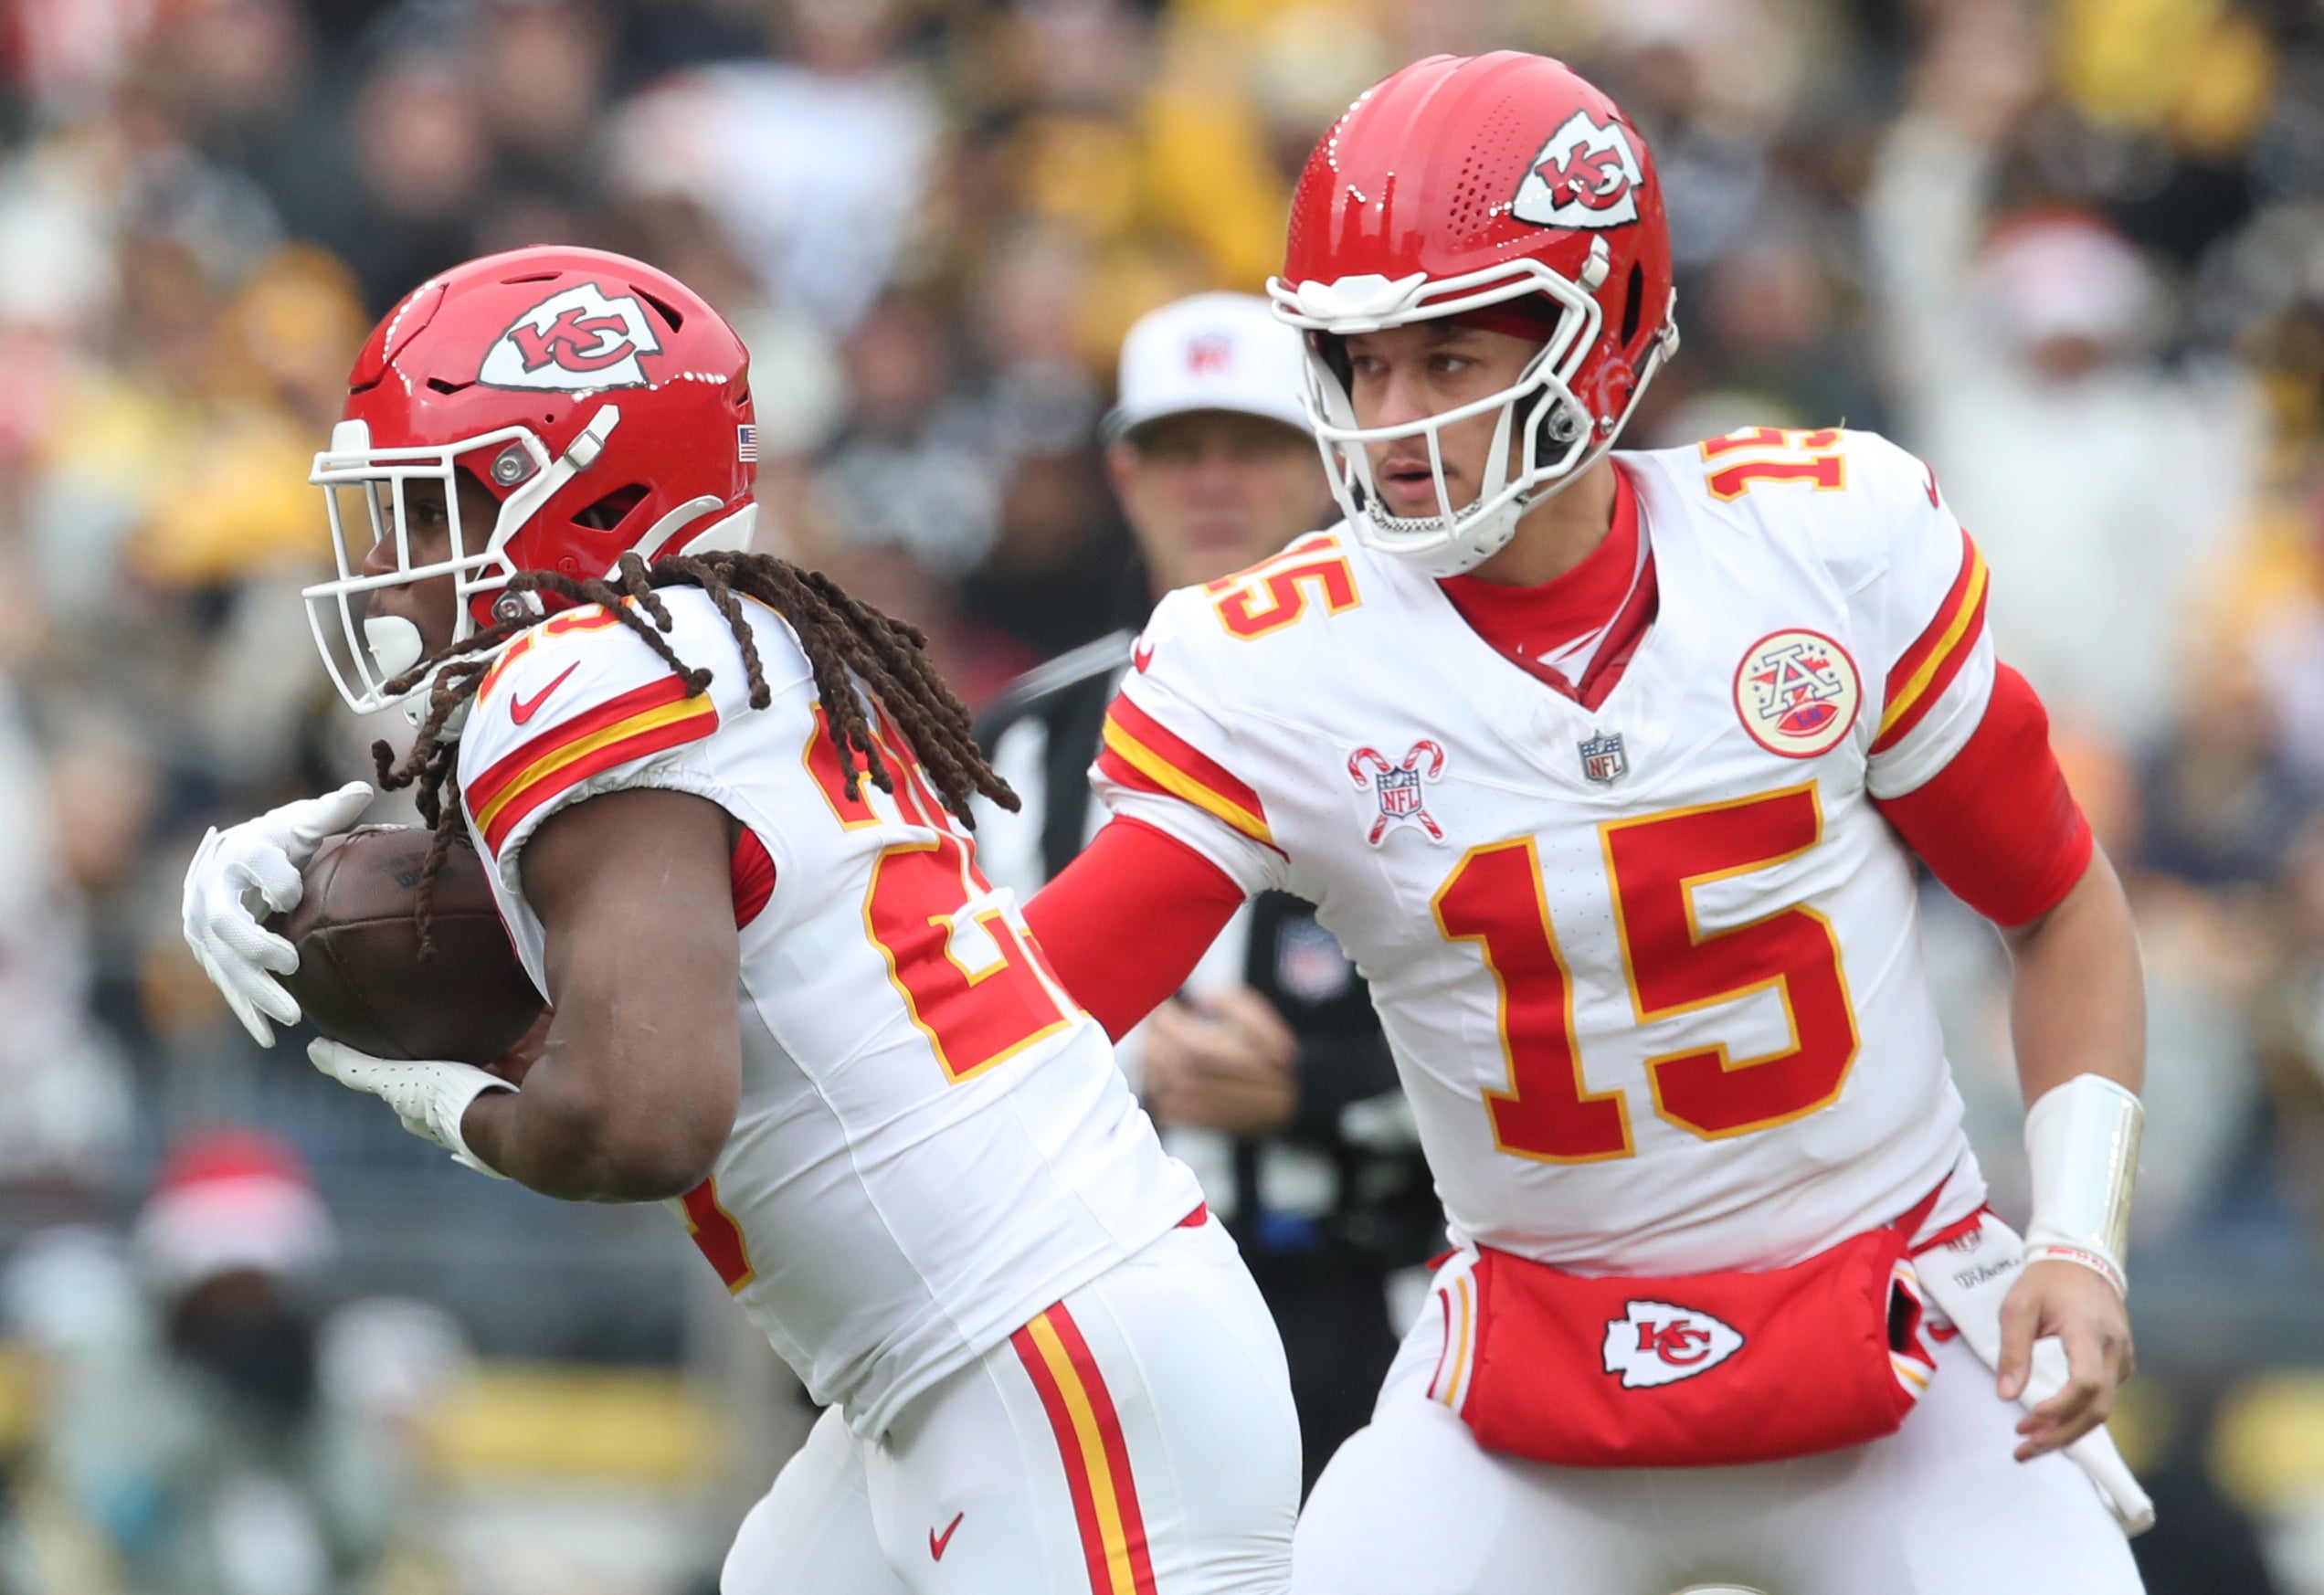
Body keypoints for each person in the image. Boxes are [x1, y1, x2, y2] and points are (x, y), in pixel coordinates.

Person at [1021, 53, 2152, 1595]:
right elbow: (1036, 1011)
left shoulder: (1822, 543)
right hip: (1526, 1365)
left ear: (1603, 332)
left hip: (1900, 1330)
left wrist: (2077, 1239)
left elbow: (2058, 906)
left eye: (1449, 359)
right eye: (1361, 365)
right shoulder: (1272, 661)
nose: (1393, 418)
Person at [178, 246, 1298, 1594]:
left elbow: (643, 1116)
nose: (399, 566)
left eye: (433, 512)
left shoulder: (590, 679)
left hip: (1044, 1359)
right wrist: (271, 857)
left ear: (574, 493)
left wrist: (437, 1099)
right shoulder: (726, 645)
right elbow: (574, 900)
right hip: (980, 1356)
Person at [974, 291, 1440, 1490]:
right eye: (1182, 451)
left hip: (1363, 1306)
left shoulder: (1440, 711)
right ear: (1127, 475)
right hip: (1077, 1313)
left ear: (1332, 460)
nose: (1214, 483)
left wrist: (1316, 1093)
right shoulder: (1020, 741)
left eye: (1257, 445)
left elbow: (1555, 1028)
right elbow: (941, 1036)